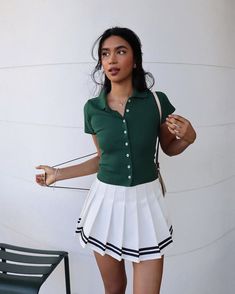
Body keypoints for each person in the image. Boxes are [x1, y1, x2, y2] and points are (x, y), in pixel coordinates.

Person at [36, 27, 196, 294]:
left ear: (134, 60)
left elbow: (169, 148)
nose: (111, 59)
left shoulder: (156, 102)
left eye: (120, 51)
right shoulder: (92, 109)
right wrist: (58, 174)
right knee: (115, 288)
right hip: (105, 206)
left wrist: (189, 137)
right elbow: (102, 160)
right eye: (105, 54)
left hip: (146, 205)